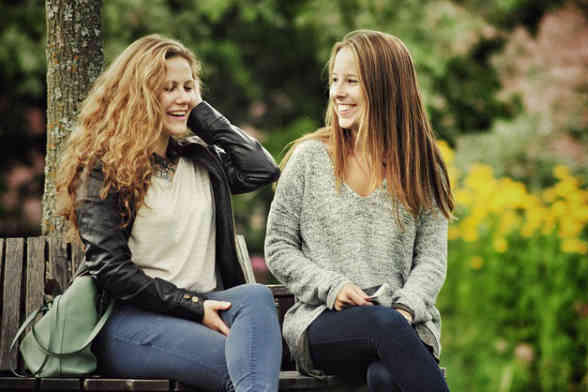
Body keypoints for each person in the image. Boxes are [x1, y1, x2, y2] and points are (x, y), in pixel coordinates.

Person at [56, 34, 282, 392]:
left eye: (189, 87)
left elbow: (262, 169)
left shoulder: (201, 161)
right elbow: (111, 270)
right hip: (133, 321)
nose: (182, 97)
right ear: (139, 97)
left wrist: (202, 116)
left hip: (208, 307)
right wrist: (191, 306)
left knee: (256, 298)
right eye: (168, 88)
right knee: (245, 363)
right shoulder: (102, 169)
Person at [265, 29, 454, 392]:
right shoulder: (309, 160)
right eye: (335, 80)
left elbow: (430, 260)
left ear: (385, 88)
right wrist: (331, 286)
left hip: (403, 322)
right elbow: (278, 246)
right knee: (382, 327)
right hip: (323, 322)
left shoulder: (422, 166)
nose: (338, 92)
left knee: (384, 376)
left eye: (351, 81)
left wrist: (405, 309)